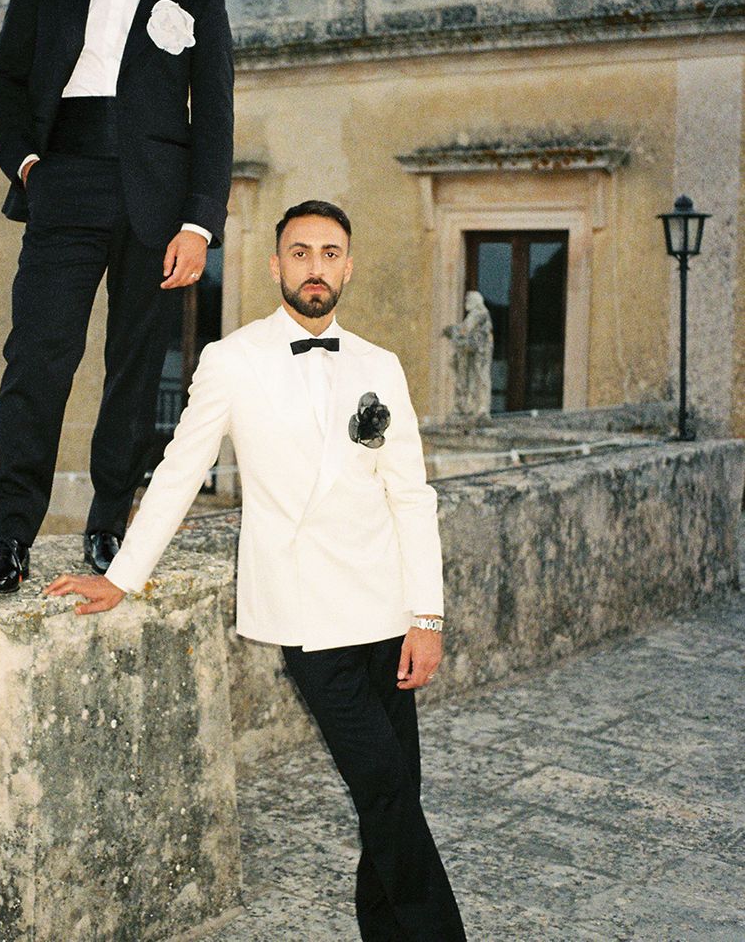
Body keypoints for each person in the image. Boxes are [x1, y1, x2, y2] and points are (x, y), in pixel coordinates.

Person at [44, 200, 467, 941]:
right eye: (300, 253)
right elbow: (180, 471)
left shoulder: (381, 365)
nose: (315, 267)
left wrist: (426, 618)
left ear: (348, 266)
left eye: (330, 253)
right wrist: (124, 575)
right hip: (307, 616)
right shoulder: (232, 359)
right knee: (386, 790)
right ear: (276, 266)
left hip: (387, 609)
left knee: (393, 795)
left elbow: (411, 496)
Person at [0, 0, 234, 593]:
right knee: (38, 355)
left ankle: (109, 524)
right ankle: (9, 535)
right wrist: (27, 162)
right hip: (63, 179)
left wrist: (200, 225)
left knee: (136, 365)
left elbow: (215, 123)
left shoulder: (200, 0)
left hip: (158, 199)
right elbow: (5, 75)